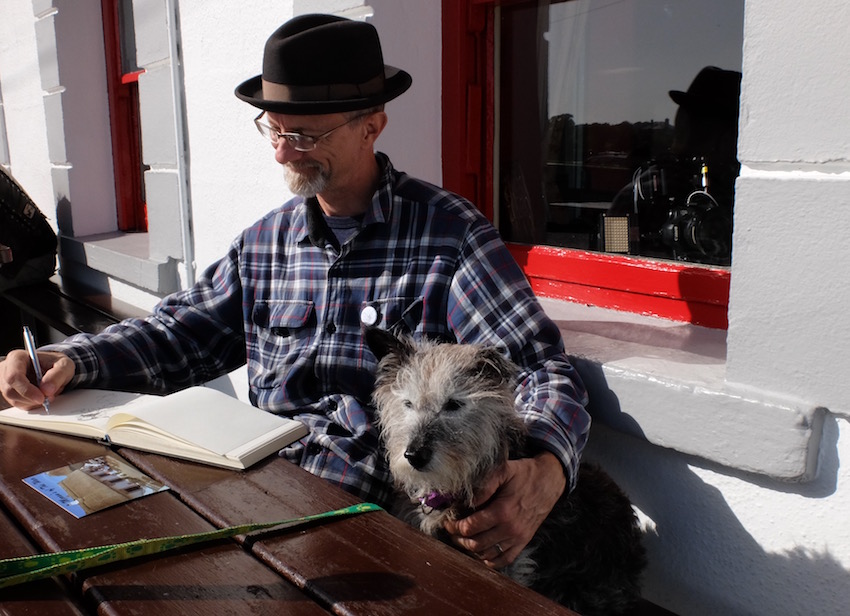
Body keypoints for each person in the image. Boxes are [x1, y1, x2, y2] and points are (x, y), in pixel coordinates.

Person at [0, 14, 590, 570]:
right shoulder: (262, 244)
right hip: (252, 485)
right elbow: (179, 335)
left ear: (372, 126)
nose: (283, 151)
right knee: (69, 529)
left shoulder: (450, 237)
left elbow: (536, 367)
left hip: (373, 519)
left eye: (306, 134)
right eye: (275, 129)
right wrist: (68, 359)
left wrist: (545, 467)